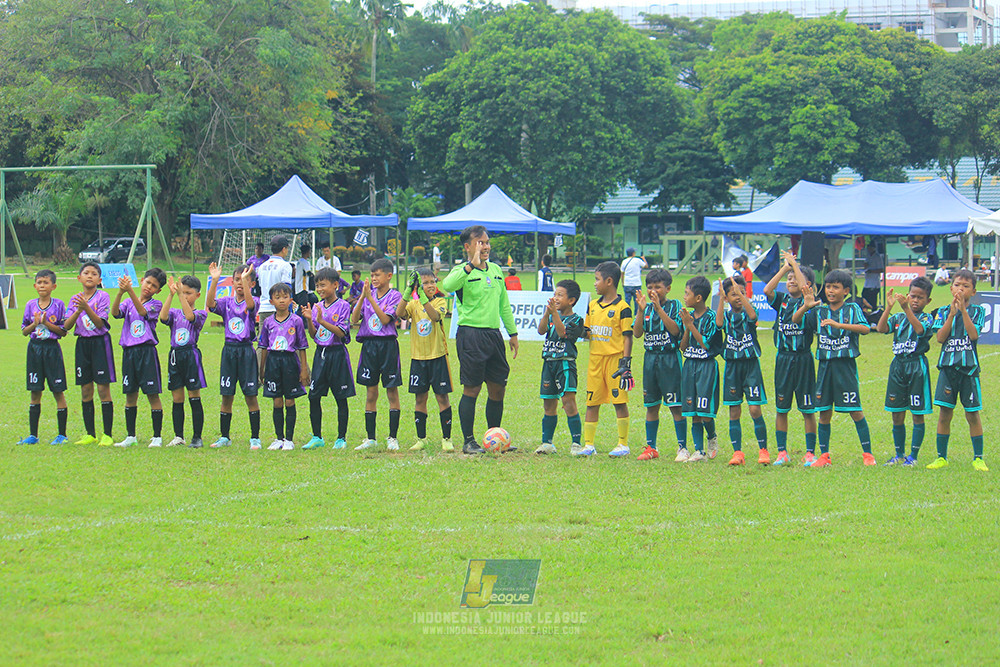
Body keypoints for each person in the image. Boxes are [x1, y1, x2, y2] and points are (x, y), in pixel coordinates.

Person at [440, 225, 519, 455]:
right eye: (480, 242)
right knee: (472, 388)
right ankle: (468, 441)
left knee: (497, 389)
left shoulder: (496, 270)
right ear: (468, 247)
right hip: (470, 335)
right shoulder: (461, 271)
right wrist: (470, 266)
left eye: (487, 242)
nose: (485, 246)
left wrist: (512, 334)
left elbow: (504, 304)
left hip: (493, 335)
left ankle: (495, 438)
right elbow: (447, 286)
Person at [792, 269, 875, 467]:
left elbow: (866, 328)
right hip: (825, 367)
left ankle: (868, 454)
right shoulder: (819, 311)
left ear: (845, 291)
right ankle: (825, 455)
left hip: (845, 367)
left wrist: (840, 325)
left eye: (835, 287)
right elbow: (796, 320)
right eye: (828, 287)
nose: (830, 291)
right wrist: (806, 306)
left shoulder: (853, 308)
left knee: (855, 410)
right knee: (824, 412)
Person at [927, 269, 988, 471]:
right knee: (945, 413)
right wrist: (952, 314)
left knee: (972, 414)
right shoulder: (944, 311)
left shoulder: (978, 311)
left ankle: (978, 458)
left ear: (973, 291)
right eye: (957, 285)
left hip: (968, 370)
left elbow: (973, 335)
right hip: (947, 369)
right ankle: (941, 457)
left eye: (965, 286)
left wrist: (963, 311)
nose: (960, 289)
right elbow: (940, 338)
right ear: (951, 287)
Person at [763, 252, 818, 466]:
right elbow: (768, 290)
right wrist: (785, 269)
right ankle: (782, 452)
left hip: (803, 359)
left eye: (795, 277)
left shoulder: (810, 304)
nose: (791, 281)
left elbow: (806, 292)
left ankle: (810, 452)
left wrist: (795, 265)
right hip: (783, 359)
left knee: (807, 408)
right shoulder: (782, 301)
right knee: (782, 407)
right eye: (789, 278)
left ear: (807, 283)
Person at [876, 277, 934, 466]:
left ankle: (913, 457)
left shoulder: (926, 318)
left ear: (928, 301)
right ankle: (899, 454)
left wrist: (906, 308)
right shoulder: (898, 318)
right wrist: (889, 307)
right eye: (912, 296)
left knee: (917, 413)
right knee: (897, 412)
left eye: (920, 298)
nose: (915, 300)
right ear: (908, 295)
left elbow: (919, 331)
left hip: (916, 366)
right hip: (898, 366)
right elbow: (881, 328)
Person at [396, 268, 454, 452]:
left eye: (432, 282)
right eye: (424, 283)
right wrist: (408, 293)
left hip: (437, 357)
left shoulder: (440, 301)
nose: (430, 285)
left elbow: (435, 317)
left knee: (442, 397)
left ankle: (447, 438)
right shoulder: (413, 305)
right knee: (420, 398)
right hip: (418, 359)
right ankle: (421, 439)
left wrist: (422, 296)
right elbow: (399, 313)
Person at [581, 261, 634, 457]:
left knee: (619, 402)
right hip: (595, 361)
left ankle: (622, 444)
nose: (595, 284)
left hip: (614, 361)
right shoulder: (593, 305)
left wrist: (625, 362)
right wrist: (580, 331)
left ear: (609, 281)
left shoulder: (623, 307)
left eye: (597, 279)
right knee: (591, 402)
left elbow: (627, 336)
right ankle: (588, 445)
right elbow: (587, 331)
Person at [207, 264, 262, 449]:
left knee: (250, 396)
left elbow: (250, 306)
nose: (240, 283)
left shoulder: (253, 300)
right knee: (226, 395)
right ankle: (225, 437)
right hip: (229, 351)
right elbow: (210, 304)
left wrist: (245, 283)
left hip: (246, 351)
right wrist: (215, 280)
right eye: (237, 279)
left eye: (245, 280)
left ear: (252, 283)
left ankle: (255, 438)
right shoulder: (226, 302)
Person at [351, 258, 403, 451]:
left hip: (387, 346)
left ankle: (392, 437)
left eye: (377, 275)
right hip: (369, 347)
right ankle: (370, 438)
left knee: (391, 390)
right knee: (371, 392)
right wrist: (363, 298)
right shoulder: (367, 294)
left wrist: (370, 299)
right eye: (372, 275)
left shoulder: (394, 296)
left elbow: (384, 319)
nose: (373, 278)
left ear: (389, 276)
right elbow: (355, 319)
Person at [111, 267, 167, 447]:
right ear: (142, 280)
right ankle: (130, 436)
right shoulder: (127, 302)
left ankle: (157, 436)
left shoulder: (155, 305)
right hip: (129, 353)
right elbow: (114, 313)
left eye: (154, 286)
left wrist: (130, 291)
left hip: (147, 352)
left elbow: (142, 312)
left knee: (152, 394)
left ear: (158, 291)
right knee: (130, 394)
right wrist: (121, 292)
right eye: (147, 282)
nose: (149, 287)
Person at [717, 275, 769, 465]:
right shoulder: (727, 315)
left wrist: (742, 295)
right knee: (734, 411)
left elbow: (754, 316)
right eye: (733, 294)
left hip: (751, 366)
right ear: (727, 297)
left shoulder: (748, 313)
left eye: (741, 292)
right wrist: (721, 300)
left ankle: (763, 450)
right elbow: (719, 324)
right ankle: (737, 452)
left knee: (755, 409)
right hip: (732, 366)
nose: (737, 296)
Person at [633, 269, 684, 461]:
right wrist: (640, 310)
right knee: (651, 405)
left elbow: (676, 330)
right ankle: (651, 447)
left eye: (658, 287)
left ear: (668, 288)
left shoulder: (674, 305)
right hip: (650, 360)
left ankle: (682, 447)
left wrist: (658, 309)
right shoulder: (644, 308)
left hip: (669, 359)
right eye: (650, 287)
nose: (653, 290)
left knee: (675, 405)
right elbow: (637, 333)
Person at [302, 268, 354, 450]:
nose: (319, 289)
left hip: (337, 355)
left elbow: (341, 333)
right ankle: (317, 436)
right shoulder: (317, 306)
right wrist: (310, 320)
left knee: (341, 397)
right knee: (313, 396)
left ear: (335, 285)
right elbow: (315, 335)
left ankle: (341, 438)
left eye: (323, 285)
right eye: (317, 285)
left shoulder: (343, 306)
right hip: (320, 354)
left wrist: (322, 320)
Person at [63, 262, 115, 446]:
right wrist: (78, 310)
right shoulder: (75, 299)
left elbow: (100, 324)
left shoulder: (103, 296)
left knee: (102, 389)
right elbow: (67, 326)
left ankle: (107, 434)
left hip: (100, 344)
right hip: (82, 345)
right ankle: (89, 434)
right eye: (86, 273)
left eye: (94, 273)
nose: (90, 276)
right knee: (86, 390)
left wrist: (87, 308)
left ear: (100, 280)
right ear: (79, 278)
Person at [17, 269, 68, 445]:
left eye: (46, 283)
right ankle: (33, 435)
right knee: (35, 391)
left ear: (53, 286)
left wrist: (46, 323)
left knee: (57, 391)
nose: (42, 286)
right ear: (35, 285)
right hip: (34, 350)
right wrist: (35, 324)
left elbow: (63, 331)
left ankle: (62, 435)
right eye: (39, 282)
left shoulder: (59, 305)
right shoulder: (31, 305)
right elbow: (24, 331)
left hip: (52, 350)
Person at [534, 279, 584, 454]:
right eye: (555, 294)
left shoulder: (577, 320)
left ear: (571, 300)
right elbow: (541, 330)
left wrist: (554, 314)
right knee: (548, 403)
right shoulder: (551, 315)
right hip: (549, 363)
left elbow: (563, 333)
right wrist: (547, 314)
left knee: (568, 402)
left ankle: (576, 444)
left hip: (565, 364)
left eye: (560, 295)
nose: (555, 298)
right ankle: (547, 443)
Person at [258, 283, 309, 450]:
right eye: (277, 297)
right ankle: (278, 438)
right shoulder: (267, 322)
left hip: (289, 362)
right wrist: (262, 369)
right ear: (271, 301)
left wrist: (303, 370)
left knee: (289, 400)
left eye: (285, 297)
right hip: (273, 361)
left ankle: (289, 439)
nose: (281, 300)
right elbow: (264, 347)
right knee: (277, 401)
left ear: (290, 300)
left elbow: (302, 347)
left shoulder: (296, 321)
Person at [159, 275, 208, 448]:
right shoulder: (174, 312)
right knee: (177, 396)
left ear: (197, 295)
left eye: (189, 293)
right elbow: (163, 317)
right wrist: (171, 294)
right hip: (175, 356)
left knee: (194, 395)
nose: (185, 295)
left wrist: (180, 295)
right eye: (183, 292)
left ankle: (197, 437)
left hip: (191, 355)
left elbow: (189, 317)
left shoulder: (200, 314)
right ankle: (178, 436)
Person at [678, 276, 722, 462]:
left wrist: (690, 325)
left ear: (698, 298)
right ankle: (699, 451)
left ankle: (712, 437)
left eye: (687, 293)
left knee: (704, 412)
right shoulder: (687, 316)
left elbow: (705, 344)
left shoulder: (711, 317)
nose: (684, 297)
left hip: (706, 367)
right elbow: (683, 347)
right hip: (690, 366)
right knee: (692, 411)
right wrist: (687, 327)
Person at [257, 235, 293, 320]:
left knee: (263, 333)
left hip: (264, 308)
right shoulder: (285, 265)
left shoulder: (262, 266)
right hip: (279, 309)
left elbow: (260, 287)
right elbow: (286, 288)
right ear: (284, 249)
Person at [862, 240, 884, 312]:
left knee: (873, 301)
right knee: (864, 296)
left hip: (874, 283)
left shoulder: (877, 257)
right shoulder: (868, 256)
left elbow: (881, 269)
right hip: (867, 281)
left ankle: (874, 315)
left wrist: (872, 271)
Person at [293, 243, 316, 307]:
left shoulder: (299, 261)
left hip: (298, 287)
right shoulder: (304, 262)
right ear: (308, 252)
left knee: (301, 305)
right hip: (303, 287)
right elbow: (308, 272)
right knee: (303, 306)